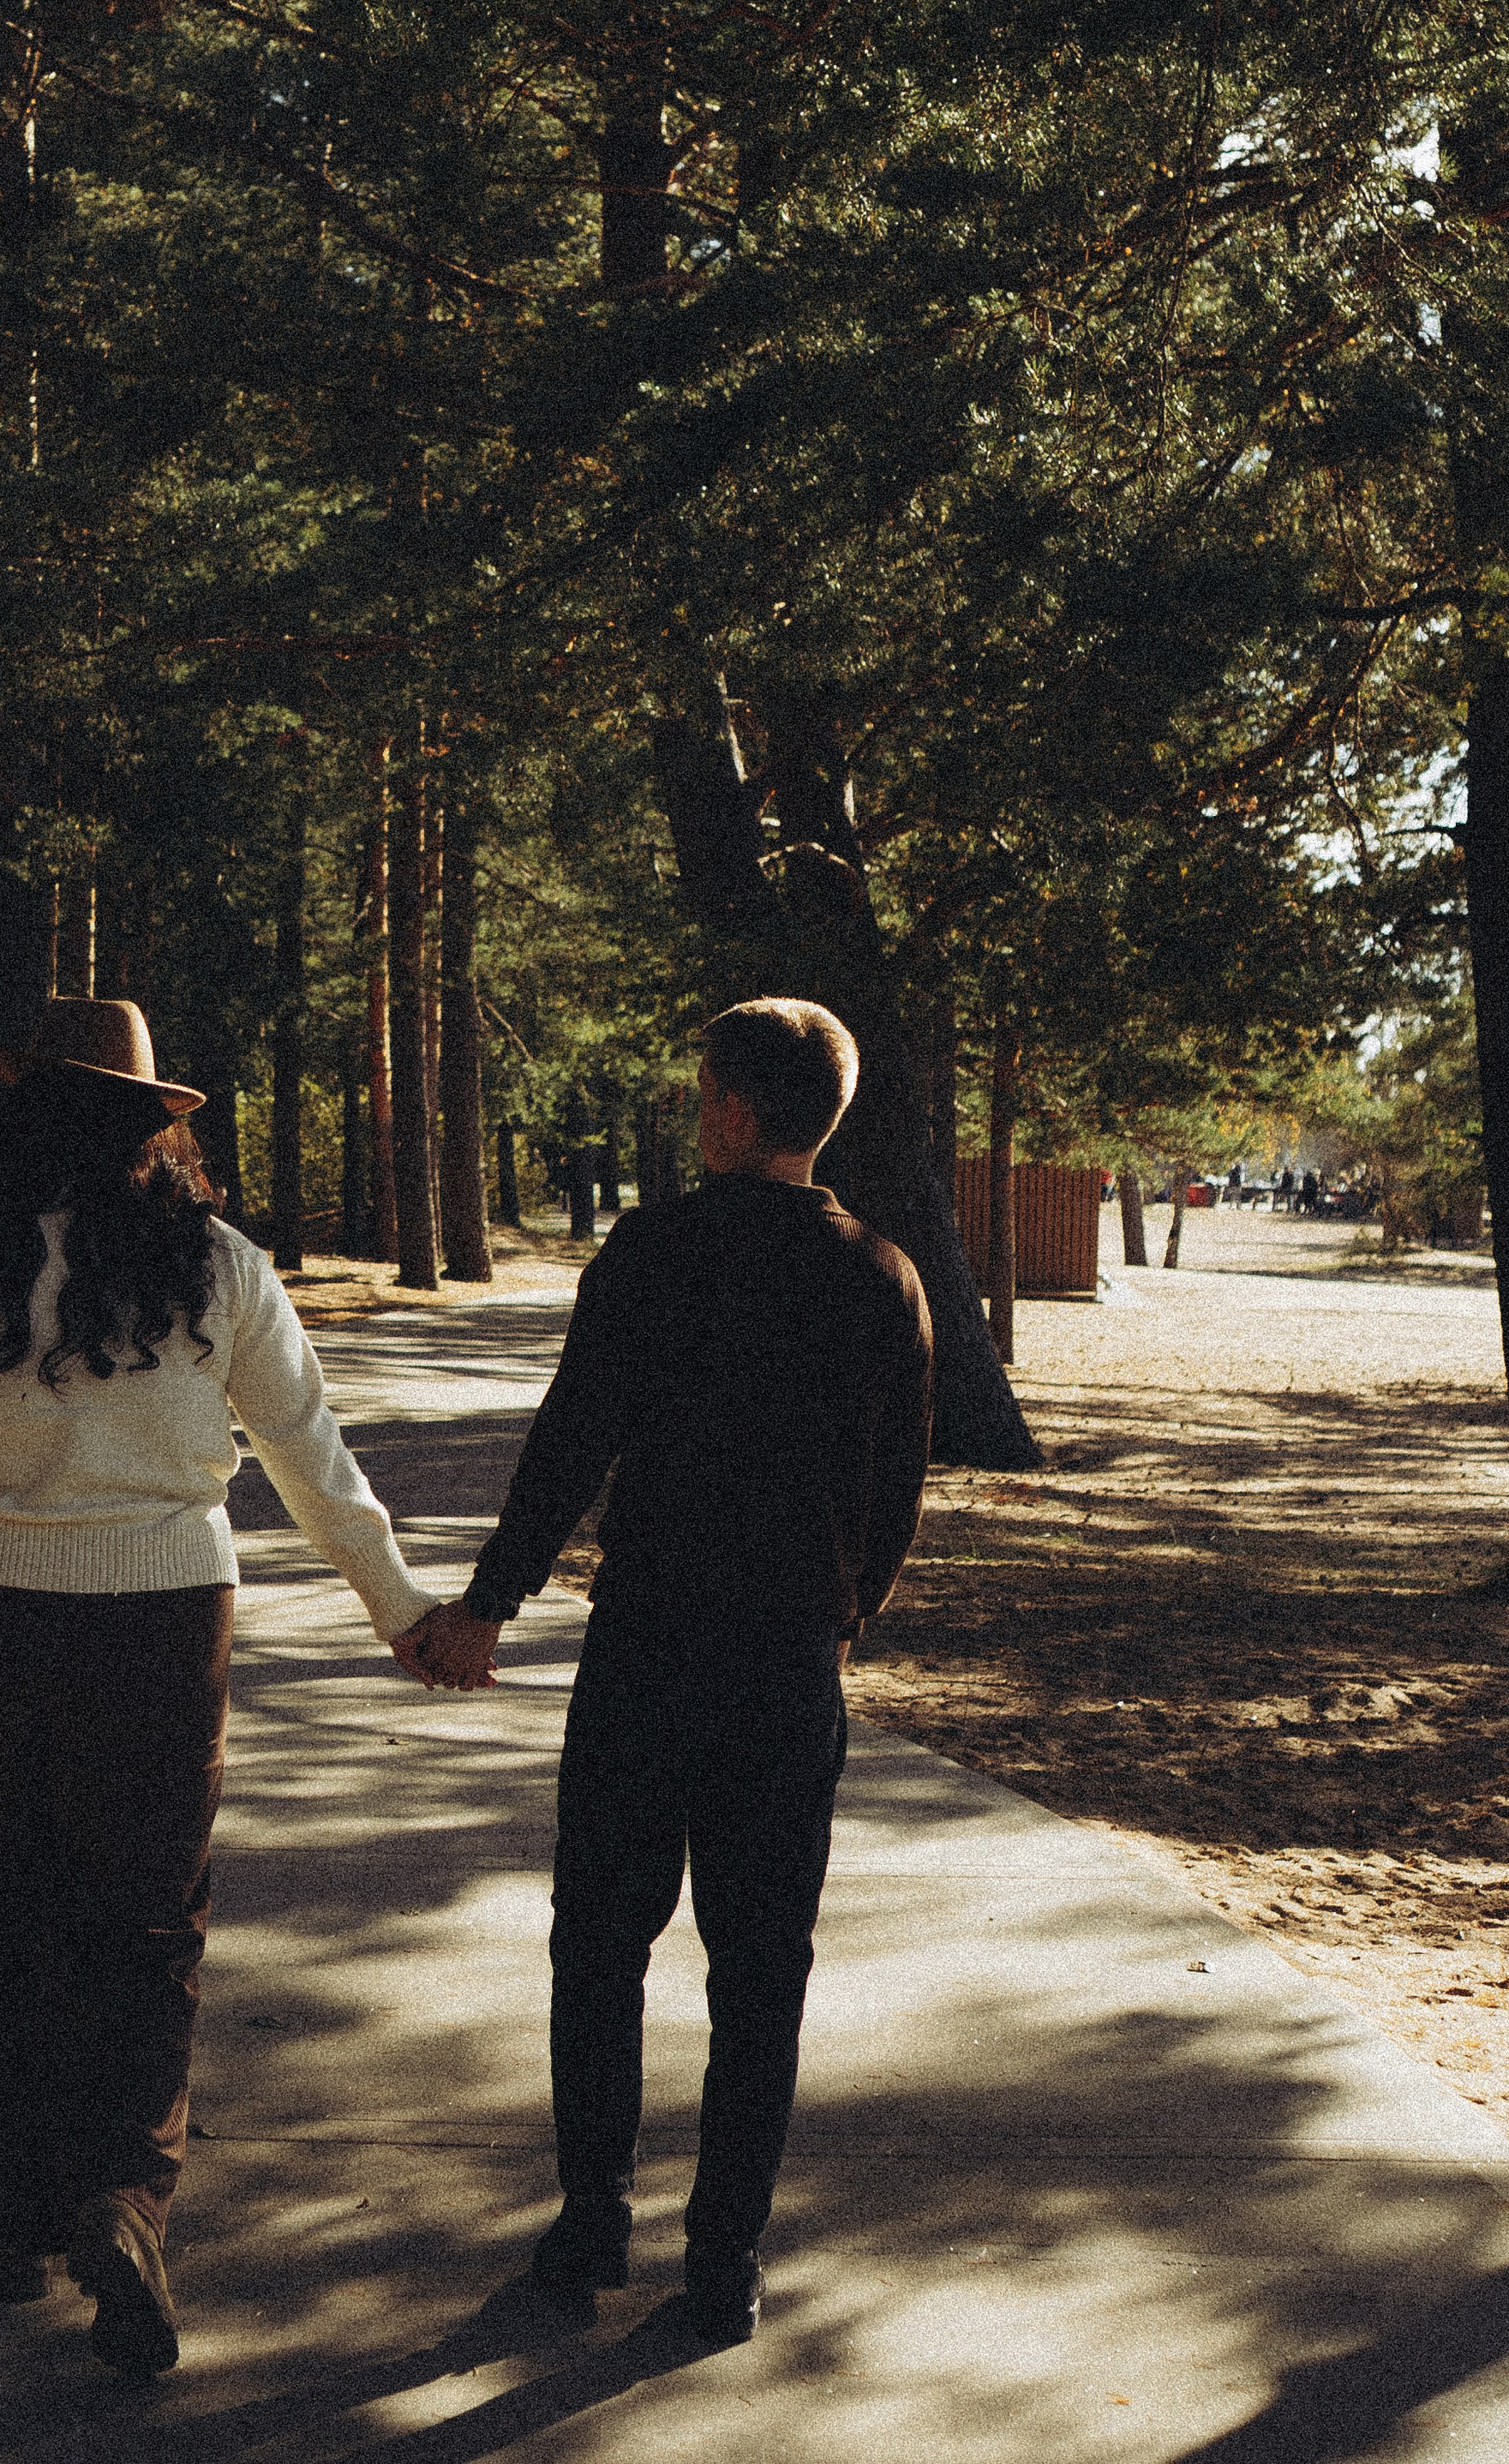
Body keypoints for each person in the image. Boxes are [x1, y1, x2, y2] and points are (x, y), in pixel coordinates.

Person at [0, 996, 436, 2377]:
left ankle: (9, 2222)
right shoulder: (219, 1266)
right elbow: (311, 1451)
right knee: (147, 1923)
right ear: (148, 1129)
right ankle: (126, 2196)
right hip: (164, 1621)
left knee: (3, 1912)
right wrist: (401, 1609)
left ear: (23, 1117)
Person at [410, 998, 932, 2345]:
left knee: (600, 1947)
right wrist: (840, 1616)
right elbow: (896, 1498)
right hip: (783, 1666)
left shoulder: (655, 1251)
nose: (695, 1105)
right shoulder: (883, 1275)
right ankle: (725, 2261)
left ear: (735, 1111)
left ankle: (592, 2225)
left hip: (647, 1647)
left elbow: (573, 1438)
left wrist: (489, 1603)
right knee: (761, 1968)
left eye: (705, 1088)